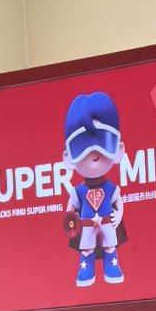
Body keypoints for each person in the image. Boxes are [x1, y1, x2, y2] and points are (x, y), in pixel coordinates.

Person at [62, 89, 125, 288]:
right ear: (68, 158)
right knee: (87, 249)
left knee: (110, 246)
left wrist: (119, 214)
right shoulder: (79, 190)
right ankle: (86, 269)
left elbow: (118, 201)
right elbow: (71, 208)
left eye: (103, 142)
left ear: (118, 150)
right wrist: (71, 220)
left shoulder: (109, 187)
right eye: (81, 145)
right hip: (87, 225)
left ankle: (112, 266)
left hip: (106, 222)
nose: (94, 153)